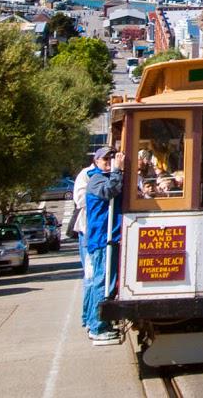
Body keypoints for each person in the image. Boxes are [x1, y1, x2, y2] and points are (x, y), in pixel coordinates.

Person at [83, 146, 124, 345]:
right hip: (101, 240)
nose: (109, 161)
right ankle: (97, 327)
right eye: (105, 159)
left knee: (105, 281)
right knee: (102, 282)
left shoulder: (105, 176)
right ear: (96, 161)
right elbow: (111, 192)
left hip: (109, 238)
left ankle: (99, 324)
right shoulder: (97, 180)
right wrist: (118, 171)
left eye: (112, 158)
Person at [68, 156, 93, 328]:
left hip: (101, 232)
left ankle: (90, 317)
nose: (109, 161)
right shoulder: (85, 175)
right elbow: (81, 201)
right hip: (88, 231)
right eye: (105, 158)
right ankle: (90, 319)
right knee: (91, 277)